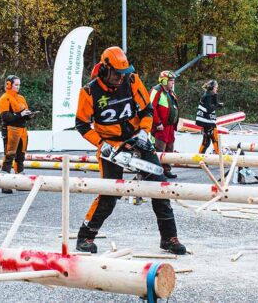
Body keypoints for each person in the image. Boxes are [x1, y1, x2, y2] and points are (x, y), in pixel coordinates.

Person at [74, 46, 186, 255]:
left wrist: (144, 132)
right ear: (105, 70)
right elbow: (82, 125)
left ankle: (169, 238)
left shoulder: (132, 80)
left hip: (137, 138)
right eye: (117, 74)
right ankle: (85, 237)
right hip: (110, 145)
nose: (120, 78)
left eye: (123, 74)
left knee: (159, 185)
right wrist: (102, 144)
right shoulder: (89, 92)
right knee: (109, 193)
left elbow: (146, 110)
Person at [0, 74, 34, 194]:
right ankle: (5, 184)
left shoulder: (21, 98)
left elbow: (25, 114)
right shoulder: (4, 98)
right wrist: (20, 115)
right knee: (9, 156)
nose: (18, 87)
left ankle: (20, 182)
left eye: (19, 85)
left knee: (20, 157)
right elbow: (6, 116)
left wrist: (29, 115)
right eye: (16, 85)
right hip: (10, 130)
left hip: (22, 130)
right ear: (9, 85)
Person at [151, 70, 179, 179]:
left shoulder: (171, 92)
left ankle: (167, 170)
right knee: (159, 148)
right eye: (171, 80)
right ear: (164, 81)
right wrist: (157, 123)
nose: (173, 83)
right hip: (160, 126)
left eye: (173, 81)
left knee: (170, 147)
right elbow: (151, 107)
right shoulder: (156, 90)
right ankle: (157, 171)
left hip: (170, 126)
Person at [196, 80, 222, 154]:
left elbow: (212, 104)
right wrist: (217, 105)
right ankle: (220, 159)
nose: (217, 89)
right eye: (216, 87)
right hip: (208, 122)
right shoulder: (208, 96)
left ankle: (200, 158)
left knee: (206, 142)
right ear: (213, 88)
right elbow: (209, 109)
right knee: (215, 140)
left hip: (206, 123)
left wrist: (217, 103)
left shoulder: (208, 95)